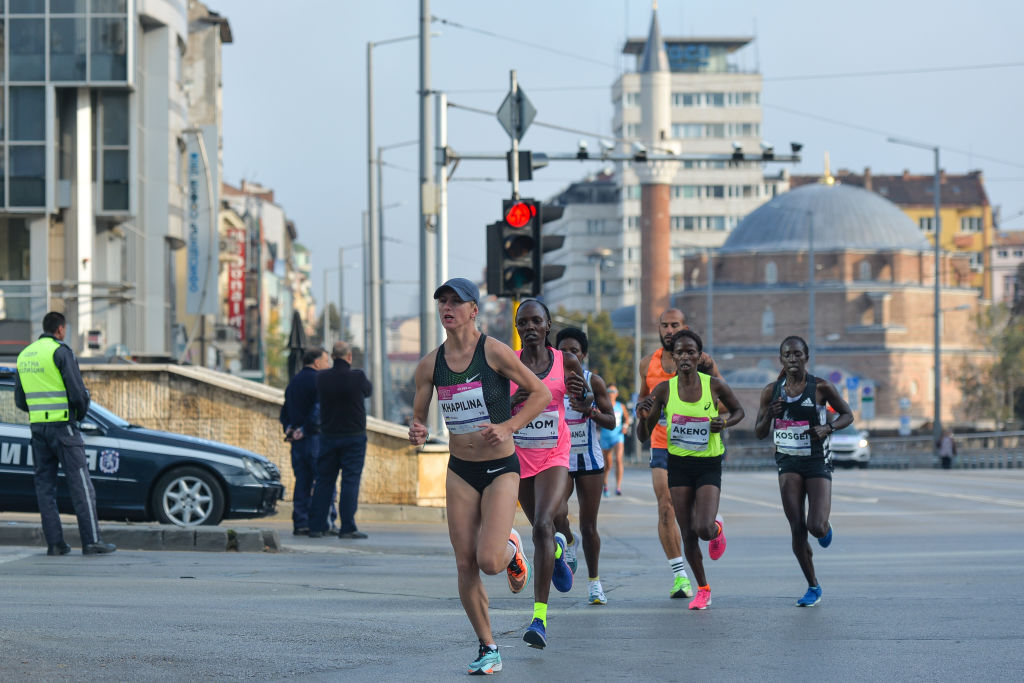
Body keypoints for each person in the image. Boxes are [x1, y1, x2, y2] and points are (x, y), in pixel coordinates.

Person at [408, 278, 551, 675]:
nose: (447, 307)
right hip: (460, 470)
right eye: (442, 301)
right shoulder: (429, 365)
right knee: (464, 563)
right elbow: (418, 420)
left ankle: (510, 548)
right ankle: (488, 646)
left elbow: (539, 393)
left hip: (501, 467)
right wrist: (417, 430)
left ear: (474, 310)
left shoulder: (494, 351)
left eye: (457, 301)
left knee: (488, 561)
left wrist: (509, 426)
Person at [636, 329, 744, 610]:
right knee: (688, 533)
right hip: (679, 464)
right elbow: (642, 436)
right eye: (680, 352)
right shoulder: (663, 390)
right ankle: (703, 589)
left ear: (699, 356)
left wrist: (725, 423)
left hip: (708, 463)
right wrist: (643, 416)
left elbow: (739, 411)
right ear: (674, 357)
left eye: (690, 352)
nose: (685, 357)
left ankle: (717, 528)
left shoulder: (714, 386)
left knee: (703, 528)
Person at [753, 335, 853, 607]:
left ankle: (825, 527)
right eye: (788, 355)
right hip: (787, 462)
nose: (793, 359)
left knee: (815, 526)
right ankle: (813, 585)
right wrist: (771, 415)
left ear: (806, 357)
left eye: (798, 354)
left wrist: (828, 428)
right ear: (781, 360)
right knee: (797, 528)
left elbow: (847, 415)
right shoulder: (770, 391)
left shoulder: (821, 387)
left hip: (816, 460)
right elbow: (760, 433)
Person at [511, 299, 587, 649]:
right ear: (518, 328)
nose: (529, 327)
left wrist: (582, 394)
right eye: (523, 322)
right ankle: (555, 554)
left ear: (547, 326)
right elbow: (493, 407)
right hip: (520, 454)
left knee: (544, 523)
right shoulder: (507, 365)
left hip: (555, 452)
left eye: (535, 321)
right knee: (538, 528)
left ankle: (538, 618)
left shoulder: (564, 360)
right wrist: (514, 402)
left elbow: (581, 399)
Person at [14, 311, 116, 556]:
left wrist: (40, 413)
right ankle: (91, 541)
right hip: (64, 429)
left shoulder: (24, 355)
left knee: (45, 487)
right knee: (80, 484)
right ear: (60, 329)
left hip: (38, 429)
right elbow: (77, 393)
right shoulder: (60, 352)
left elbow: (20, 400)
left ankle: (55, 544)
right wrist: (78, 416)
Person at [555, 327, 616, 605]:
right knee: (556, 512)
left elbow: (611, 421)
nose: (569, 356)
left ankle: (594, 583)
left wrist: (589, 411)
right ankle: (568, 541)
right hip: (560, 460)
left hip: (589, 460)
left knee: (589, 526)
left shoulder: (595, 382)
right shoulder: (551, 382)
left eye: (574, 351)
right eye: (563, 351)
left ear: (584, 355)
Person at [309, 341, 372, 539]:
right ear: (349, 357)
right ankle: (347, 527)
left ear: (333, 357)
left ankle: (317, 526)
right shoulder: (358, 376)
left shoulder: (322, 377)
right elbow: (368, 391)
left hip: (328, 436)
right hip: (354, 437)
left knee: (324, 481)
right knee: (350, 481)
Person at [279, 347, 333, 535]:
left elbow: (285, 409)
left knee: (302, 482)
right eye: (326, 361)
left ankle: (301, 522)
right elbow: (319, 410)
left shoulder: (294, 381)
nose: (328, 365)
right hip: (314, 439)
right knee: (323, 480)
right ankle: (324, 522)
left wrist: (290, 428)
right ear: (317, 362)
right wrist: (305, 429)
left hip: (296, 442)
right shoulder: (320, 380)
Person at [599, 384, 630, 498]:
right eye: (609, 391)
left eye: (614, 391)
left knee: (618, 459)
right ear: (606, 393)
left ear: (617, 393)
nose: (611, 393)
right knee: (608, 465)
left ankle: (618, 487)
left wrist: (625, 426)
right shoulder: (603, 406)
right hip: (606, 437)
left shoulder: (620, 406)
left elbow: (627, 418)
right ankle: (605, 484)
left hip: (618, 436)